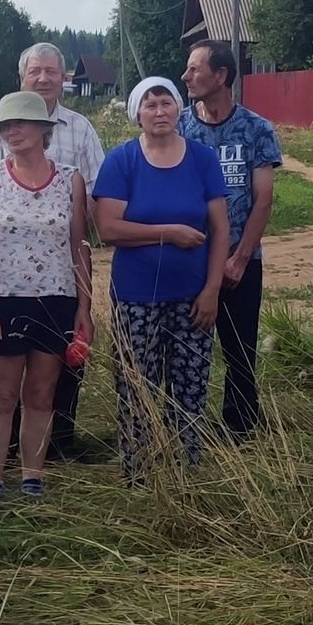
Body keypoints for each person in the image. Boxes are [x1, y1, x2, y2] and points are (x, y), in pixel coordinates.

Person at [0, 42, 107, 466]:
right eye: (35, 71)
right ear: (21, 75)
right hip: (5, 288)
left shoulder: (80, 129)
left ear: (64, 78)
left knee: (52, 386)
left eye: (52, 71)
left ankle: (48, 457)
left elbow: (91, 207)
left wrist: (86, 300)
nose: (44, 78)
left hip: (58, 290)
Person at [93, 77, 227, 477]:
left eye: (166, 103)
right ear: (137, 114)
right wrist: (168, 233)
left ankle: (184, 471)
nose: (159, 111)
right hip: (134, 299)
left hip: (192, 298)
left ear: (179, 109)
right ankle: (139, 472)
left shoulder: (202, 159)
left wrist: (212, 290)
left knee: (190, 386)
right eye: (149, 105)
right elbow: (108, 229)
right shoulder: (122, 161)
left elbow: (220, 230)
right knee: (136, 385)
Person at [179, 39, 281, 441]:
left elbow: (263, 199)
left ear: (220, 75)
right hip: (191, 260)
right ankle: (185, 424)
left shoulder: (256, 129)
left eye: (194, 68)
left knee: (240, 350)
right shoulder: (182, 127)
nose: (186, 76)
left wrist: (239, 259)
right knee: (187, 346)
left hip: (241, 262)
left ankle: (239, 429)